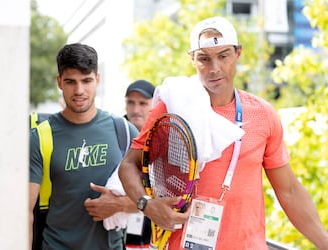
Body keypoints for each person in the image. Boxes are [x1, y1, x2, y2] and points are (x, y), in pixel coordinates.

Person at [118, 16, 328, 249]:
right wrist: (146, 204)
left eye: (223, 56)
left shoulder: (263, 113)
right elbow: (129, 165)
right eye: (204, 59)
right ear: (192, 59)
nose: (214, 68)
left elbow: (289, 191)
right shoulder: (170, 109)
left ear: (238, 53)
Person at [29, 43, 139, 250]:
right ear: (59, 82)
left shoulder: (124, 131)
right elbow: (24, 212)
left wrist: (121, 204)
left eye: (86, 81)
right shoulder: (40, 137)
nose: (79, 91)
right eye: (71, 82)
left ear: (97, 79)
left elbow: (155, 199)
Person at [123, 80, 155, 249]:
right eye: (131, 102)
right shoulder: (116, 133)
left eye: (143, 103)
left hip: (153, 237)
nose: (136, 110)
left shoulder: (165, 135)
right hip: (117, 237)